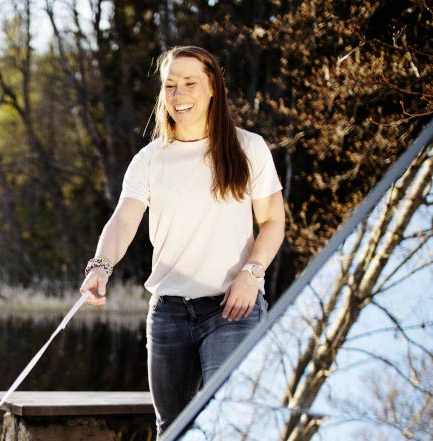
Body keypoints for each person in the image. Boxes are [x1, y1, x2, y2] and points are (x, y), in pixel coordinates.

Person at [78, 45, 286, 435]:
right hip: (169, 314)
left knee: (225, 423)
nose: (178, 95)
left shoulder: (248, 148)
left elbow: (273, 220)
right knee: (172, 428)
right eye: (170, 85)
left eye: (190, 83)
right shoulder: (150, 159)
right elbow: (123, 221)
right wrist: (100, 267)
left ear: (212, 88)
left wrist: (251, 273)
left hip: (233, 310)